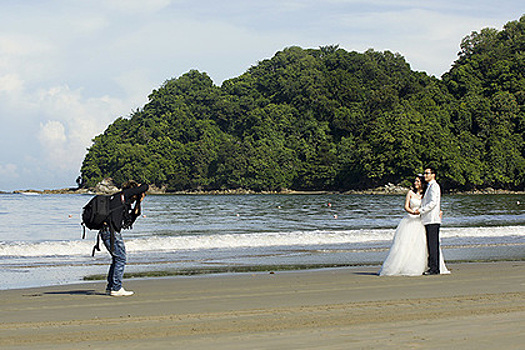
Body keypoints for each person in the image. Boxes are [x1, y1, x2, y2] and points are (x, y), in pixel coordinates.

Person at [379, 175, 449, 276]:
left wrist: (438, 213)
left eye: (417, 181)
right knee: (406, 243)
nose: (415, 183)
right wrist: (412, 212)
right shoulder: (410, 193)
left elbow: (432, 204)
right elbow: (406, 206)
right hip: (411, 219)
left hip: (422, 220)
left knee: (423, 244)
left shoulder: (426, 194)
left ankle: (429, 266)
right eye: (415, 181)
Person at [100, 180, 149, 296]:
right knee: (121, 258)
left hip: (108, 232)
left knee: (117, 259)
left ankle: (111, 287)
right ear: (133, 191)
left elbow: (128, 221)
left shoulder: (122, 202)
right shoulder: (123, 195)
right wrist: (139, 187)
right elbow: (145, 186)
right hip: (111, 232)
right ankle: (116, 288)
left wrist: (138, 202)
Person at [414, 167, 447, 275]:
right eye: (425, 173)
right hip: (428, 219)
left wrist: (421, 211)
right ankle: (432, 267)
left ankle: (434, 268)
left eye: (427, 173)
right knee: (430, 244)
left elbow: (433, 203)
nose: (425, 175)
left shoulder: (434, 186)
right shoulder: (429, 186)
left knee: (433, 245)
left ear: (433, 175)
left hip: (432, 219)